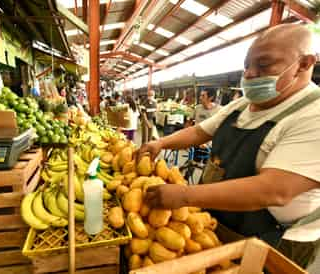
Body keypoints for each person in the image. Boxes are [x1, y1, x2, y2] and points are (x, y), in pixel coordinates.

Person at [137, 24, 320, 269]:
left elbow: (275, 190)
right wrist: (160, 142)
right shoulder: (244, 104)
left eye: (264, 65)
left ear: (305, 63)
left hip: (274, 239)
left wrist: (185, 195)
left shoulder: (313, 115)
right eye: (247, 65)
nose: (250, 74)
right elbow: (200, 131)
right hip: (220, 220)